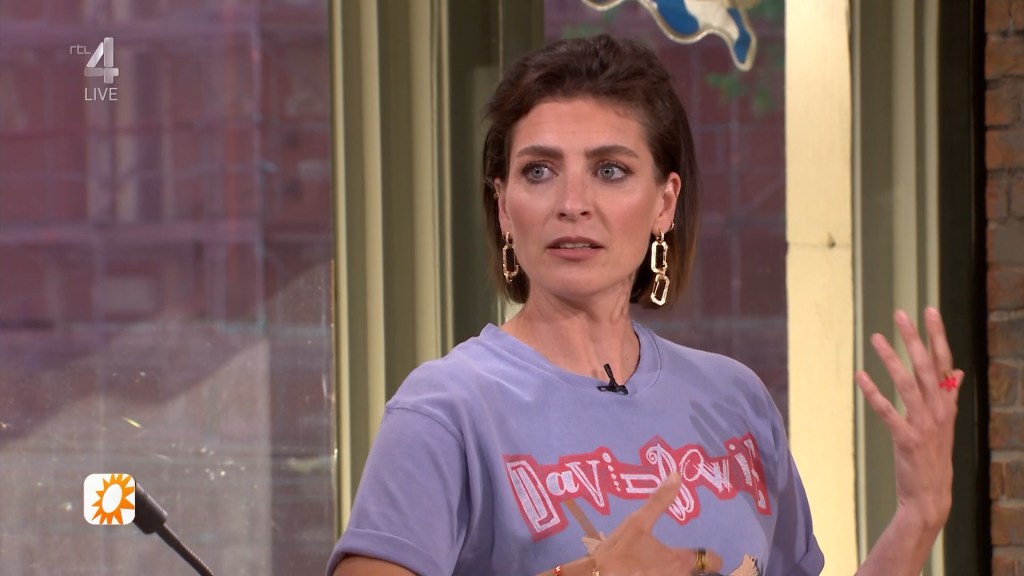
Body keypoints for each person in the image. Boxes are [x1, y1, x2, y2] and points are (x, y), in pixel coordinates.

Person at [327, 34, 960, 576]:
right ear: (503, 206)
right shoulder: (446, 409)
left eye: (610, 170)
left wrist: (919, 515)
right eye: (539, 171)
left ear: (664, 203)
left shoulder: (735, 399)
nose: (572, 203)